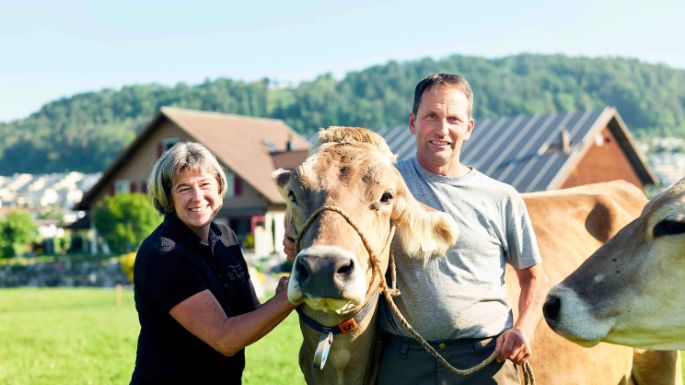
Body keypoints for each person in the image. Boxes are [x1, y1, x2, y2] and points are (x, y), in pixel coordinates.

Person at [376, 73, 549, 384]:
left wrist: (524, 327)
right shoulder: (384, 185)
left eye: (453, 119)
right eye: (432, 116)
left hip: (485, 361)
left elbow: (534, 278)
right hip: (405, 360)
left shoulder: (501, 197)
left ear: (468, 129)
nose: (442, 130)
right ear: (413, 122)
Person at [130, 142, 296, 385]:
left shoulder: (226, 238)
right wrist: (292, 296)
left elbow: (250, 318)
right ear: (168, 197)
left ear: (220, 187)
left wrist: (298, 262)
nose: (197, 197)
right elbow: (225, 339)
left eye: (205, 184)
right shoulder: (164, 255)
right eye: (184, 188)